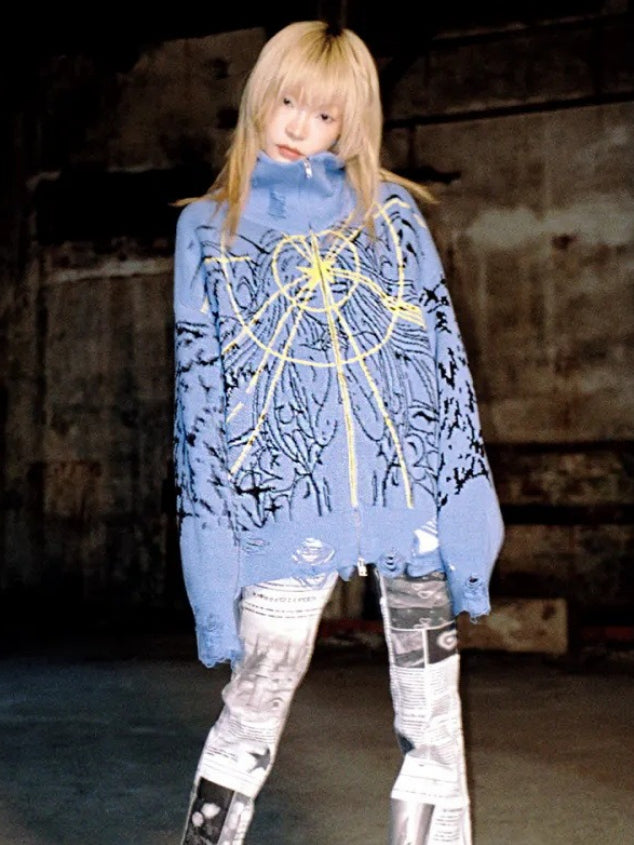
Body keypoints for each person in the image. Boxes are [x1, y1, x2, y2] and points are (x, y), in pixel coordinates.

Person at [172, 19, 504, 845]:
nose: (300, 127)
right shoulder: (210, 229)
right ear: (260, 97)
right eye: (288, 102)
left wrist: (469, 523)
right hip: (284, 519)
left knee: (434, 726)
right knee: (251, 708)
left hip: (412, 517)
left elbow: (443, 372)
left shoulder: (390, 216)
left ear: (350, 125)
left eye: (326, 115)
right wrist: (211, 565)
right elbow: (199, 404)